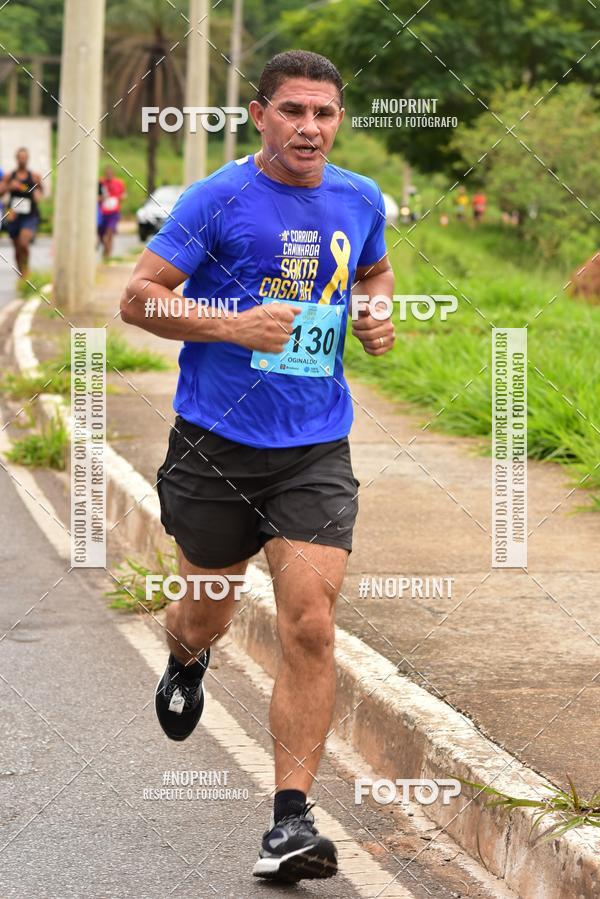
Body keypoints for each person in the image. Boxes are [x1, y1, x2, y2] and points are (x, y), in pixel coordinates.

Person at [120, 49, 395, 883]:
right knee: (204, 609)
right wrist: (232, 326)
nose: (309, 128)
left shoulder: (360, 197)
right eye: (293, 111)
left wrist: (378, 314)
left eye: (324, 113)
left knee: (309, 619)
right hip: (214, 447)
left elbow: (374, 271)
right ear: (260, 114)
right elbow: (139, 297)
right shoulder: (216, 199)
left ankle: (289, 821)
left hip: (314, 447)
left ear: (338, 120)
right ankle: (187, 656)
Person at [0, 148, 42, 278]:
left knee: (24, 243)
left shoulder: (34, 176)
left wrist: (37, 194)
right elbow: (1, 192)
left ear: (27, 159)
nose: (22, 160)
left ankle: (26, 270)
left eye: (24, 157)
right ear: (16, 159)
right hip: (14, 216)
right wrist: (8, 187)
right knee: (17, 248)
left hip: (29, 215)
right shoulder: (9, 176)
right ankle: (22, 275)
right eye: (20, 157)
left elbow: (40, 192)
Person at [97, 166, 126, 259]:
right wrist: (102, 198)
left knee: (109, 233)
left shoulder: (119, 183)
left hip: (114, 213)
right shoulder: (100, 183)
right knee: (101, 235)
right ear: (104, 174)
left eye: (110, 174)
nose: (108, 175)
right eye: (107, 174)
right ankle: (105, 248)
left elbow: (124, 194)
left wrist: (121, 197)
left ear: (113, 174)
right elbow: (95, 196)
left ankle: (107, 255)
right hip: (102, 213)